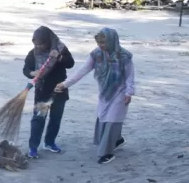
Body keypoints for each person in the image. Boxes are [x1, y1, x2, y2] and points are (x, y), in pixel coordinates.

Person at [55, 27, 135, 164]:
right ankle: (117, 139)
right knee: (103, 117)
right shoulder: (96, 54)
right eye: (99, 43)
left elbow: (130, 76)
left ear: (112, 41)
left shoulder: (125, 56)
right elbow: (82, 71)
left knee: (112, 119)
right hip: (104, 92)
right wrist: (65, 84)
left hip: (120, 92)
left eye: (104, 43)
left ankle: (106, 153)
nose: (101, 46)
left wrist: (129, 92)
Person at [22, 26, 75, 158]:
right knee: (39, 119)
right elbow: (26, 69)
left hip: (59, 89)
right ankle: (33, 147)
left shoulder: (60, 48)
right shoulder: (33, 53)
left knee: (55, 118)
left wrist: (59, 57)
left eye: (41, 44)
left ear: (48, 40)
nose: (38, 47)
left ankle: (50, 142)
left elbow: (70, 63)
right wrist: (33, 73)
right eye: (36, 44)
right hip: (42, 91)